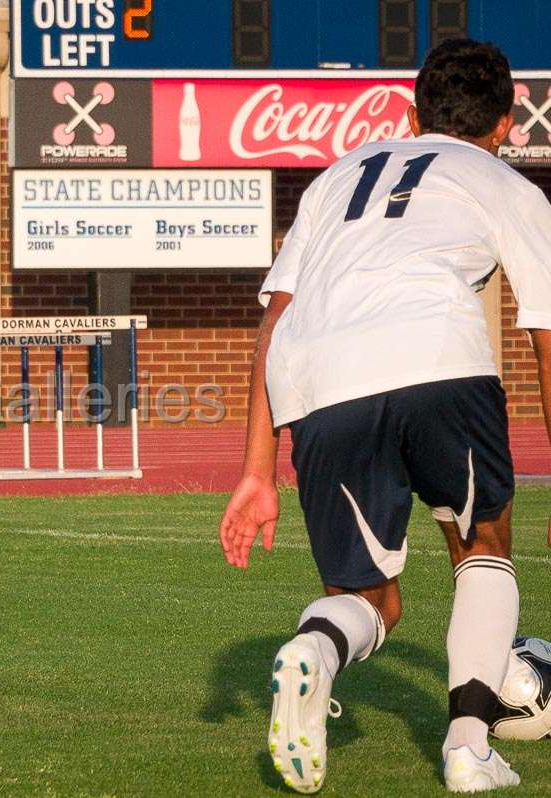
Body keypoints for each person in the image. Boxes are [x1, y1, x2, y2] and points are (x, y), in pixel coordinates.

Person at [219, 38, 551, 793]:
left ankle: (317, 652)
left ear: (410, 111)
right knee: (482, 542)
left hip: (319, 378)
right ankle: (468, 747)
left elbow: (274, 321)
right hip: (439, 356)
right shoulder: (503, 181)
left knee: (370, 599)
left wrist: (256, 470)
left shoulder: (338, 177)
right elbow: (547, 332)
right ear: (506, 124)